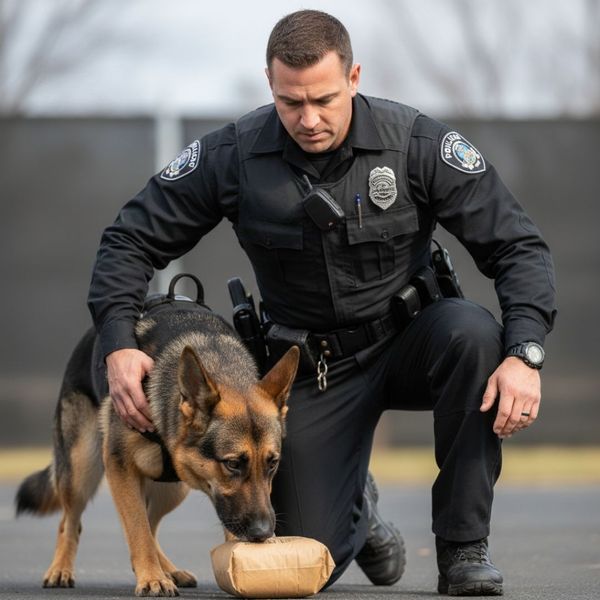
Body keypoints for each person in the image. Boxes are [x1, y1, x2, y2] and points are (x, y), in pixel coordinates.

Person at [88, 9, 556, 596]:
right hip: (313, 369)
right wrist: (118, 343)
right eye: (291, 103)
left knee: (475, 336)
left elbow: (517, 245)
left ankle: (464, 550)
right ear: (270, 85)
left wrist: (525, 353)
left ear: (354, 77)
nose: (308, 119)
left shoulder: (416, 143)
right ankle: (358, 507)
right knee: (299, 567)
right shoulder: (234, 154)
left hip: (415, 341)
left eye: (325, 100)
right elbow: (129, 239)